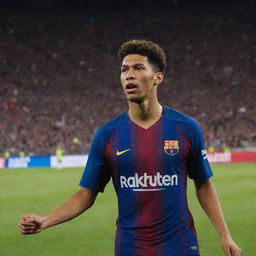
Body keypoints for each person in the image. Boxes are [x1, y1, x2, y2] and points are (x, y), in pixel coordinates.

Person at [20, 40, 242, 256]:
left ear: (157, 78)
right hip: (130, 246)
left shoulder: (186, 128)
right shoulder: (107, 135)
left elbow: (203, 183)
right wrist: (45, 220)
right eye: (124, 69)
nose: (129, 75)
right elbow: (86, 194)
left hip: (180, 244)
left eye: (138, 68)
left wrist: (225, 234)